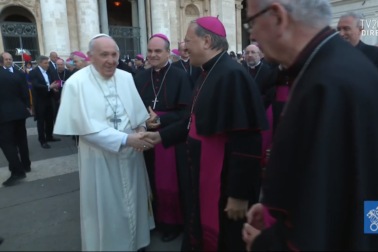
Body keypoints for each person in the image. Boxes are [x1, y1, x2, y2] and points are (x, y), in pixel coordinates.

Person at [242, 0, 378, 251]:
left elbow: (323, 210)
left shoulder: (325, 83)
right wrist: (273, 210)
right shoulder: (337, 65)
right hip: (374, 230)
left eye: (252, 22)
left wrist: (267, 244)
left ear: (278, 17)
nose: (253, 35)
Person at [140, 17, 268, 251]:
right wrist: (161, 137)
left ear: (207, 40)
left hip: (225, 182)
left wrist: (239, 194)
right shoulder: (206, 73)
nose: (184, 47)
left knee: (226, 240)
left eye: (188, 40)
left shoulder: (232, 75)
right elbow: (192, 120)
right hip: (203, 175)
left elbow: (247, 139)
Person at [53, 34, 155, 251]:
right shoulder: (76, 84)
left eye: (114, 54)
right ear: (90, 57)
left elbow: (138, 117)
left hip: (130, 155)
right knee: (107, 207)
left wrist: (142, 130)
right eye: (104, 55)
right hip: (100, 159)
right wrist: (127, 139)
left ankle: (137, 242)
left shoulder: (126, 78)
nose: (111, 60)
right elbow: (85, 130)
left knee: (134, 200)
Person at [134, 33, 192, 243]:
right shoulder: (140, 76)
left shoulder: (180, 75)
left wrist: (160, 121)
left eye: (158, 51)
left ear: (168, 52)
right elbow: (134, 107)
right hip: (145, 134)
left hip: (170, 137)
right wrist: (144, 121)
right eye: (150, 51)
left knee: (169, 182)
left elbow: (186, 112)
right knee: (148, 179)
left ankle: (172, 223)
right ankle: (153, 219)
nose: (153, 55)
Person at [337, 12, 378, 86]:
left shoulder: (376, 54)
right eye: (339, 29)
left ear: (360, 30)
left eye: (346, 29)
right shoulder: (333, 55)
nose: (341, 33)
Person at [0, 53, 31, 186]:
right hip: (19, 112)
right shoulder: (18, 74)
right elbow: (25, 93)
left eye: (10, 59)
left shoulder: (13, 74)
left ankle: (18, 171)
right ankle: (25, 165)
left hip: (4, 115)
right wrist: (27, 107)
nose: (8, 61)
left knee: (7, 143)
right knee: (21, 139)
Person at [29, 55, 61, 149]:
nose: (48, 65)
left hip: (49, 99)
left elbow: (50, 83)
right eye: (45, 63)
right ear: (39, 63)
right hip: (40, 101)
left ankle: (49, 136)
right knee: (41, 121)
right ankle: (42, 140)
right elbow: (36, 85)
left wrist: (53, 89)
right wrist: (49, 87)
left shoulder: (48, 71)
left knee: (50, 119)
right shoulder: (33, 72)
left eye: (48, 63)